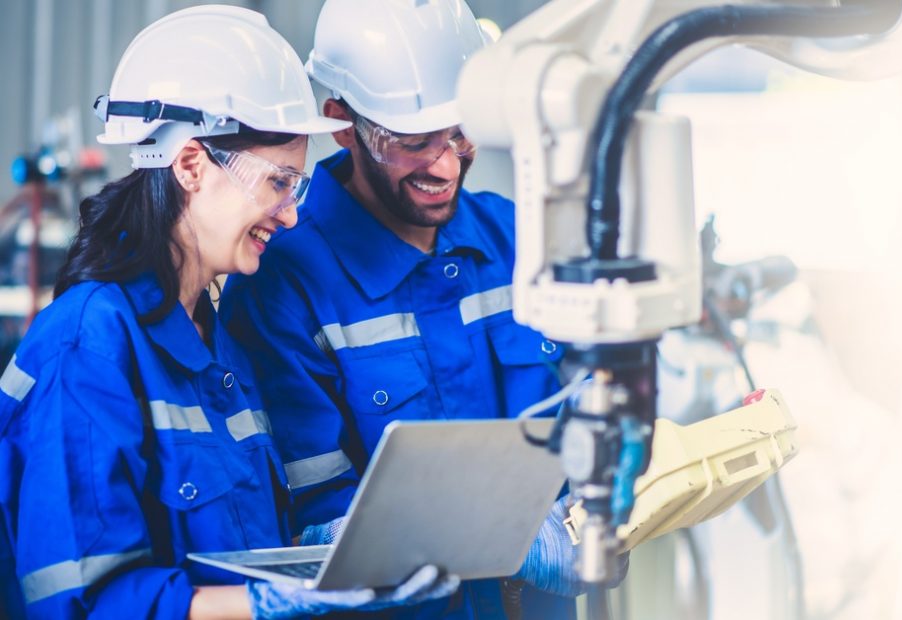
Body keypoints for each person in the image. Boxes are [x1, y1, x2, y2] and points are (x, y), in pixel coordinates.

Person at [0, 6, 458, 619]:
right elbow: (84, 602)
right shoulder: (88, 346)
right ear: (190, 165)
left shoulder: (221, 346)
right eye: (278, 184)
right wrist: (269, 603)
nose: (292, 214)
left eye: (297, 188)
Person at [220, 0, 628, 617]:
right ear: (340, 124)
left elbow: (599, 413)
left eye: (460, 132)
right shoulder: (284, 280)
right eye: (411, 142)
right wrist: (494, 535)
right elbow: (309, 522)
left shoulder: (518, 238)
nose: (444, 164)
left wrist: (619, 494)